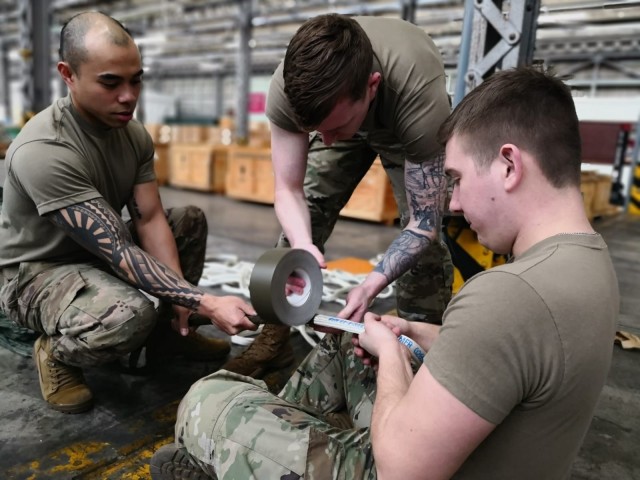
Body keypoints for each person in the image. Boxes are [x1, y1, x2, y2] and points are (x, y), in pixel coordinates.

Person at [150, 67, 619, 479]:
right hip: (481, 448)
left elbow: (399, 470)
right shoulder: (587, 261)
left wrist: (393, 353)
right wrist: (413, 330)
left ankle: (246, 451)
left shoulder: (506, 295)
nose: (452, 203)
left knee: (209, 399)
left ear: (509, 165)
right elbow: (512, 355)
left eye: (455, 179)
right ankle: (271, 448)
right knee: (347, 340)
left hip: (406, 466)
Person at [0, 11, 257, 414]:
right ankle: (58, 354)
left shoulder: (131, 133)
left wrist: (183, 303)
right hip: (35, 271)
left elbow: (150, 218)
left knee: (187, 219)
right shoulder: (44, 149)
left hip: (90, 253)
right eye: (110, 82)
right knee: (127, 315)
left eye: (136, 79)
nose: (129, 96)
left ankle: (170, 333)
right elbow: (117, 250)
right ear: (68, 74)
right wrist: (206, 301)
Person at [222, 13, 454, 378]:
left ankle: (420, 349)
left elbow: (424, 225)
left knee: (423, 251)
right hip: (340, 108)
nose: (324, 142)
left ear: (372, 86)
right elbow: (288, 189)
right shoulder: (289, 89)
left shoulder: (418, 95)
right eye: (315, 131)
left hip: (400, 125)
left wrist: (370, 286)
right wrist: (303, 245)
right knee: (303, 220)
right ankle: (274, 339)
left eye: (333, 129)